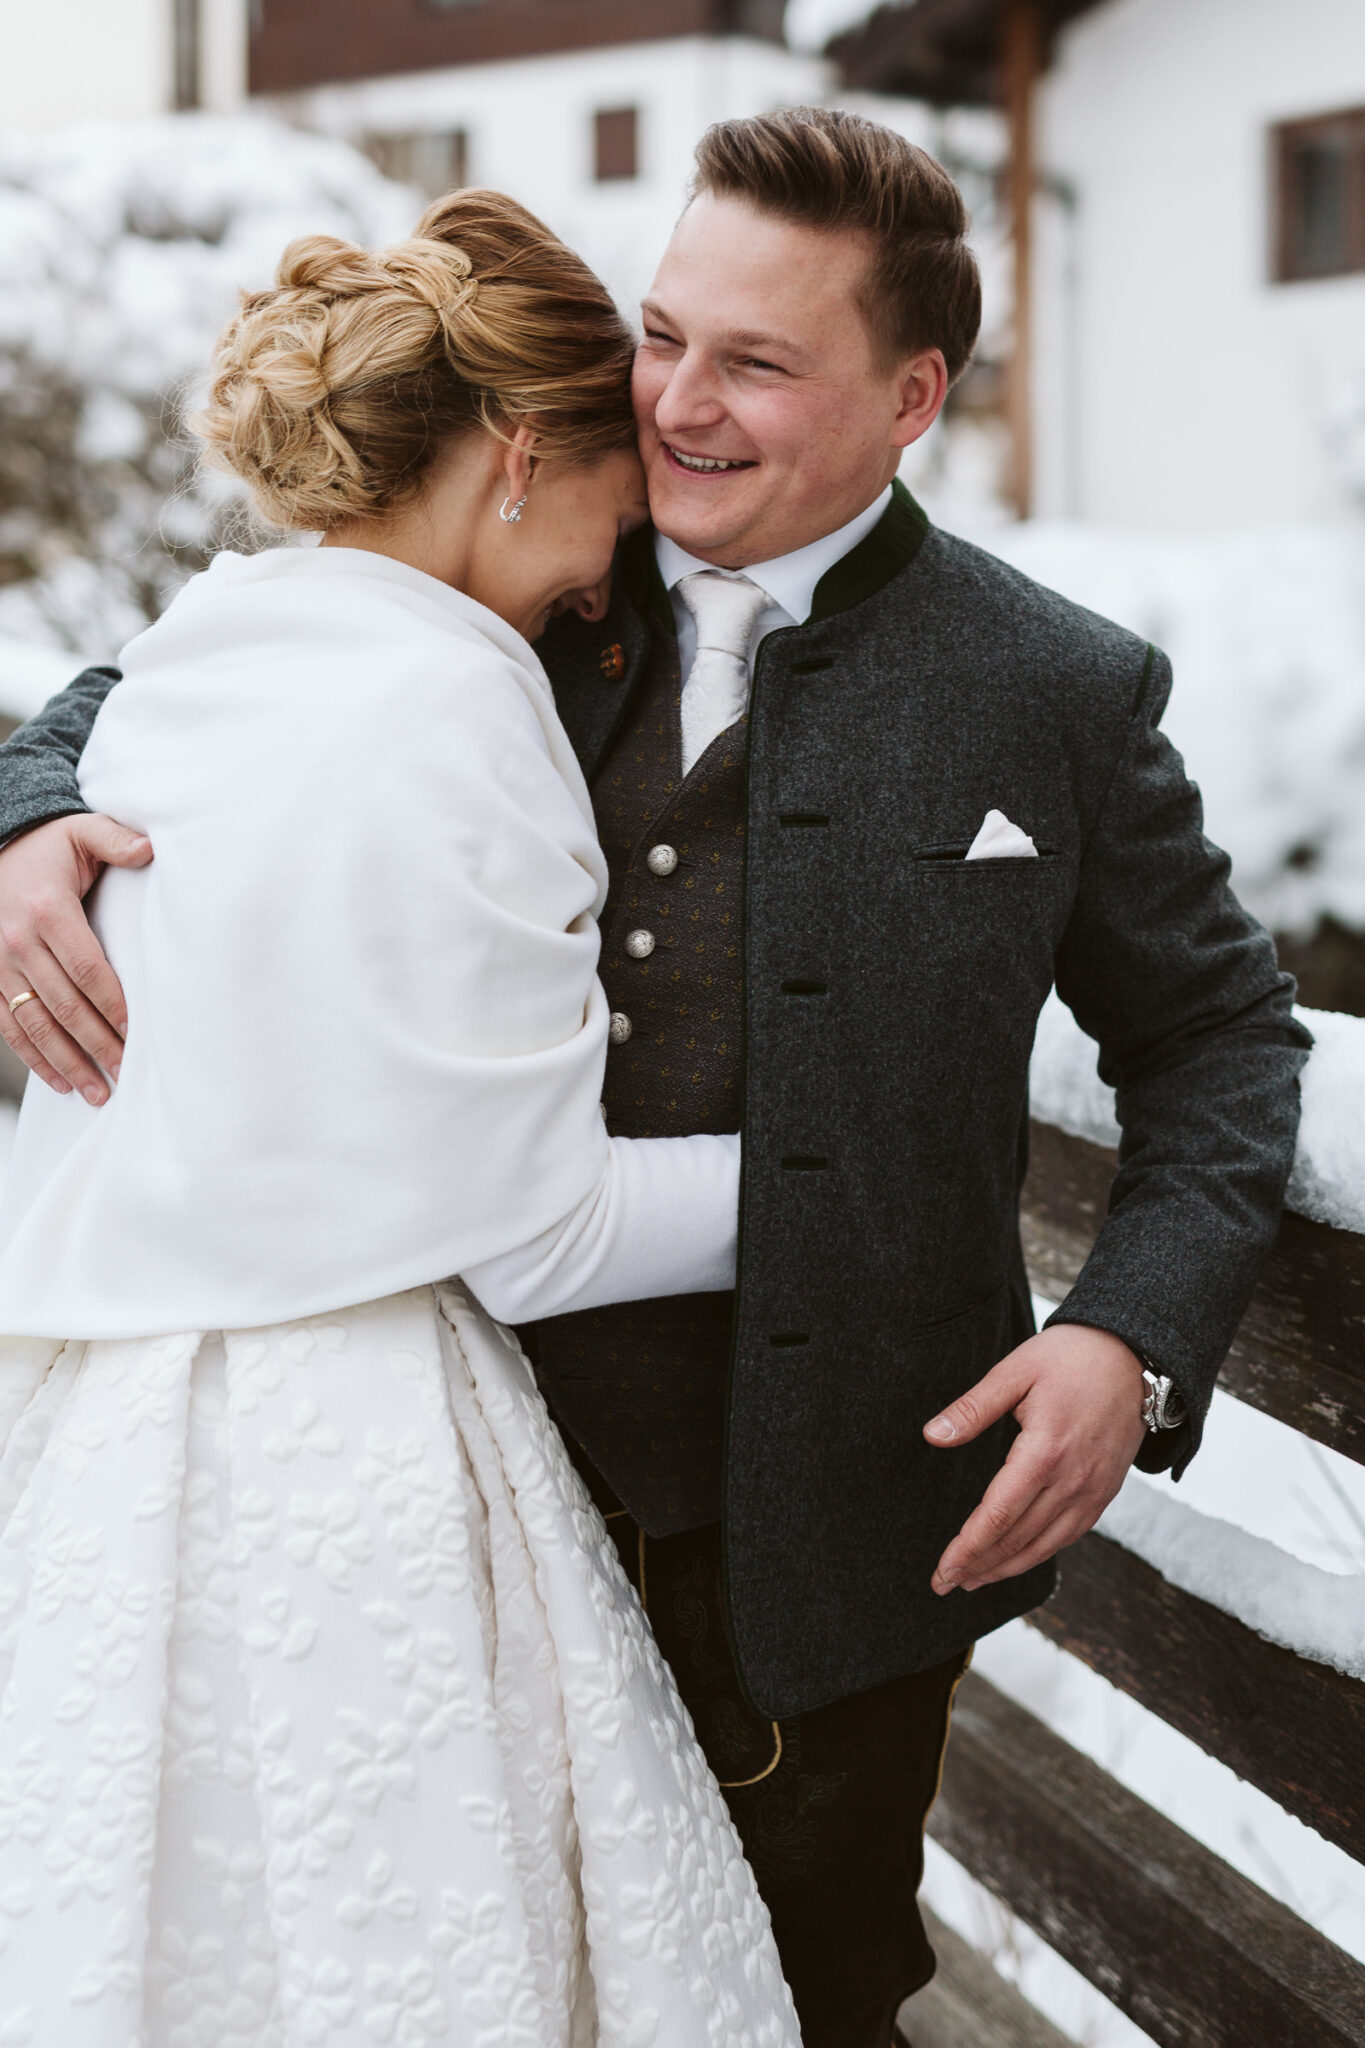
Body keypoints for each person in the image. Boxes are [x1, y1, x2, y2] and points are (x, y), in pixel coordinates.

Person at [0, 110, 1311, 2048]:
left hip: (835, 1546)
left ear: (910, 391)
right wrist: (31, 810)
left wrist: (1126, 1330)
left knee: (795, 1997)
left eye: (756, 362)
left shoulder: (1049, 688)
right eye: (663, 334)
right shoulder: (516, 579)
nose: (677, 405)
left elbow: (1215, 1038)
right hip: (433, 1523)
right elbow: (179, 678)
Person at [0, 192, 802, 2047]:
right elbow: (539, 1235)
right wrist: (854, 1177)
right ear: (520, 453)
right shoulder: (465, 698)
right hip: (335, 1460)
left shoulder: (193, 650)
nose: (611, 581)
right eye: (611, 500)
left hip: (90, 1425)